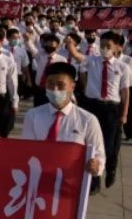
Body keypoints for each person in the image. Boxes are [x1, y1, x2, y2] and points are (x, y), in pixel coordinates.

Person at [21, 62, 105, 195]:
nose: (54, 89)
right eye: (50, 84)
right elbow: (26, 150)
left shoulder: (88, 120)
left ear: (72, 87)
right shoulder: (33, 116)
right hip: (40, 181)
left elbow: (99, 154)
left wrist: (96, 166)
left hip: (71, 185)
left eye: (60, 85)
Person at [67, 31, 129, 191]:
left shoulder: (123, 67)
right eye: (102, 46)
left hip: (111, 109)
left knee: (108, 146)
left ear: (116, 47)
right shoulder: (92, 60)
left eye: (108, 46)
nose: (104, 49)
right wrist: (70, 44)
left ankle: (111, 168)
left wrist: (124, 114)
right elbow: (76, 55)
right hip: (92, 106)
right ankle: (94, 181)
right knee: (91, 144)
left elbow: (125, 93)